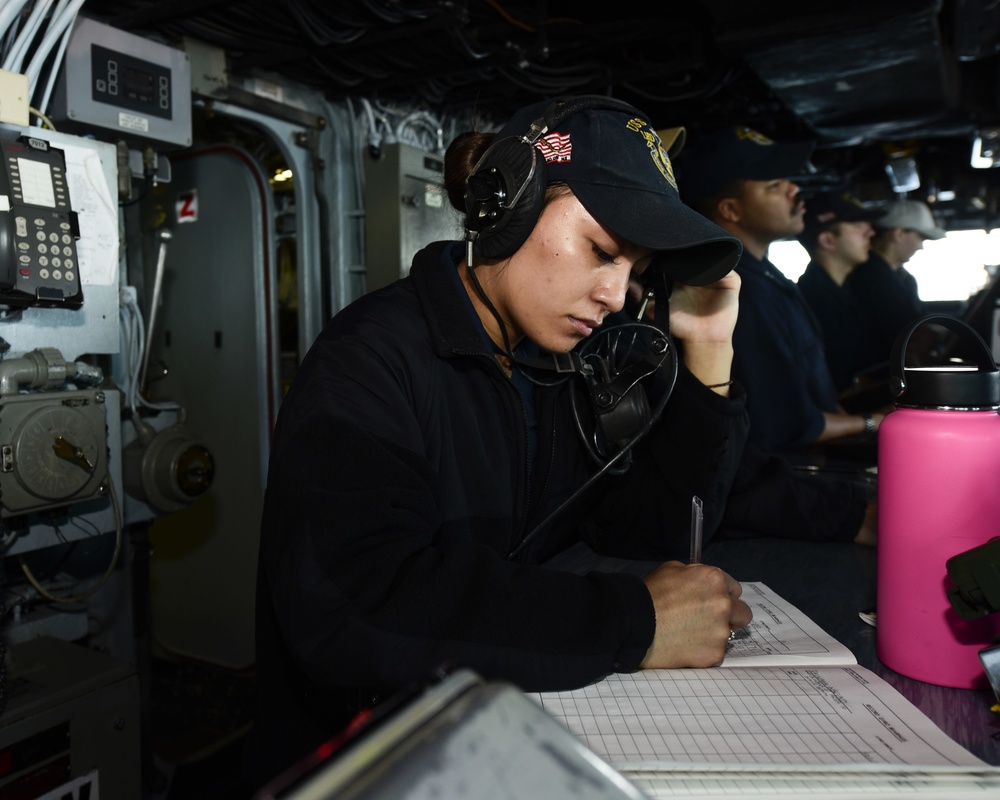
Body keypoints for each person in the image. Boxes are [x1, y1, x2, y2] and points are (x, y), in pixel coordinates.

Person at [246, 96, 754, 790]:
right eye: (602, 250)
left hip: (494, 728)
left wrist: (710, 353)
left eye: (636, 272)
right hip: (364, 760)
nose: (614, 292)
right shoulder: (368, 359)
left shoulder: (562, 363)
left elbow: (653, 534)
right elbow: (357, 605)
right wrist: (627, 621)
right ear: (506, 203)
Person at [675, 125, 886, 455]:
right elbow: (789, 426)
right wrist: (875, 423)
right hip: (787, 474)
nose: (794, 189)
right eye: (774, 186)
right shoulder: (735, 290)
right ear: (731, 210)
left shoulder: (765, 275)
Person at [796, 191, 885, 393]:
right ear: (828, 240)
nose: (870, 232)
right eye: (857, 226)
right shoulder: (814, 301)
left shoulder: (841, 291)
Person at [846, 199, 946, 367]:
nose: (921, 246)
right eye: (920, 237)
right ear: (898, 233)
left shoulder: (903, 279)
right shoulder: (867, 279)